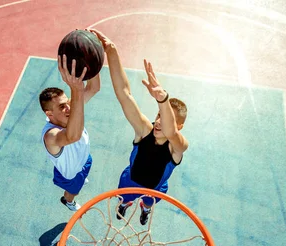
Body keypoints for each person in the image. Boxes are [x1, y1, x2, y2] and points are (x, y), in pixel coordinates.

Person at [90, 29, 189, 225]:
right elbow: (124, 94)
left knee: (148, 202)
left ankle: (145, 207)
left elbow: (170, 132)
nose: (159, 121)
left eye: (166, 117)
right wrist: (111, 51)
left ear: (180, 126)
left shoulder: (177, 147)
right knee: (125, 197)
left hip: (155, 188)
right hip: (130, 181)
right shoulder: (145, 131)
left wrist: (163, 99)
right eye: (159, 115)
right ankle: (126, 204)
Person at [39, 53, 100, 211]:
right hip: (71, 175)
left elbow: (94, 88)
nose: (68, 108)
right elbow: (73, 136)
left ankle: (82, 177)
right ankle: (68, 200)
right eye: (61, 106)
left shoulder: (71, 108)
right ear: (49, 114)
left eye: (67, 103)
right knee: (74, 190)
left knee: (86, 167)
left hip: (84, 158)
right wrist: (76, 90)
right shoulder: (50, 136)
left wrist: (93, 56)